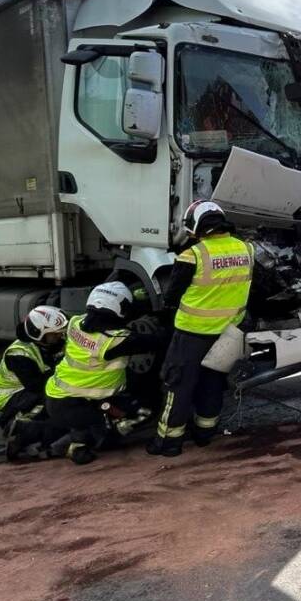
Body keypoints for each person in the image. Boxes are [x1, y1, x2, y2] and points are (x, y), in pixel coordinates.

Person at [149, 199, 254, 458]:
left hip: (192, 334)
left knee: (178, 384)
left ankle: (168, 442)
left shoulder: (192, 255)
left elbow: (171, 297)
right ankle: (205, 434)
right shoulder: (246, 249)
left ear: (196, 226)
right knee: (212, 383)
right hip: (228, 333)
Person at [44, 282, 162, 464]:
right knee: (145, 410)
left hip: (60, 397)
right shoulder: (113, 341)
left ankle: (75, 436)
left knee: (91, 418)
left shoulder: (75, 323)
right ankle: (83, 441)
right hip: (79, 405)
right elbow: (156, 341)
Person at [0, 305, 68, 461]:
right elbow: (37, 385)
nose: (59, 336)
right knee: (47, 399)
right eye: (54, 334)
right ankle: (14, 423)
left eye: (60, 333)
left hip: (35, 385)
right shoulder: (18, 353)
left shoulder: (51, 343)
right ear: (38, 334)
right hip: (10, 394)